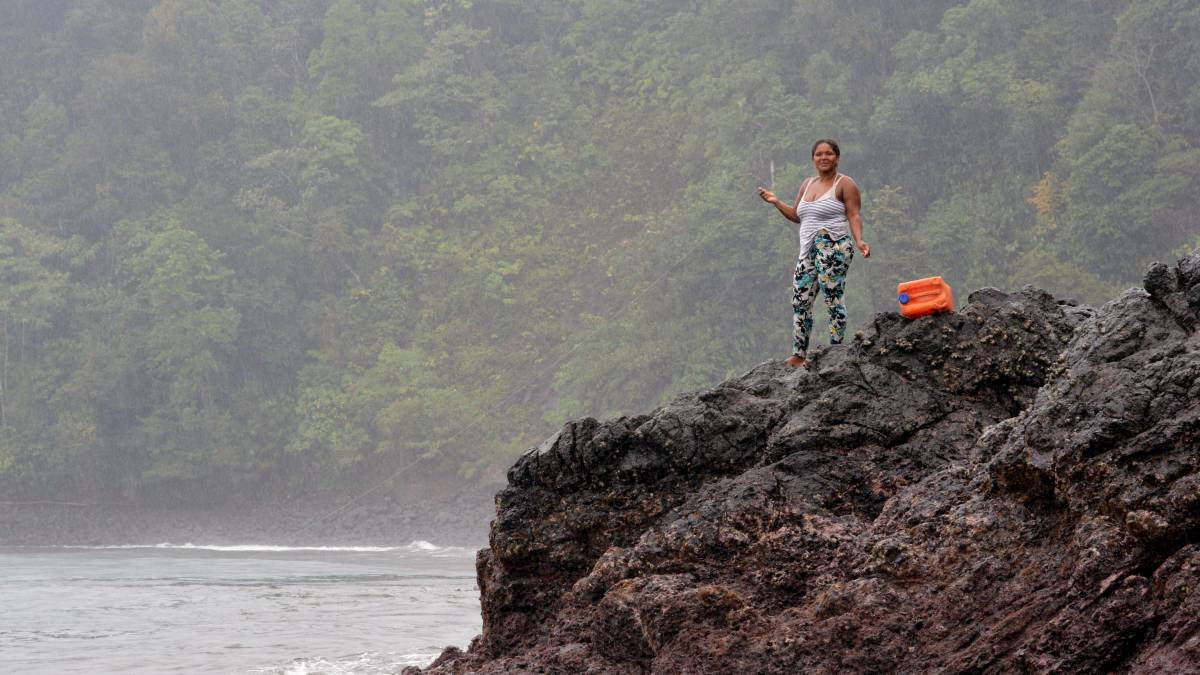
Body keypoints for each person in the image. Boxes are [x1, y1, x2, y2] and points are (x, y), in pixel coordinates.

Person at [757, 139, 870, 368]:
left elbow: (854, 215)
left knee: (832, 296)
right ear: (813, 158)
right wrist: (776, 202)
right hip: (807, 249)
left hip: (833, 245)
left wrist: (859, 240)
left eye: (829, 153)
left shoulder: (845, 184)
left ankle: (836, 348)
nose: (823, 158)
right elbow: (797, 216)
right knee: (800, 299)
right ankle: (799, 353)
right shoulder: (807, 184)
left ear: (837, 157)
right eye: (819, 154)